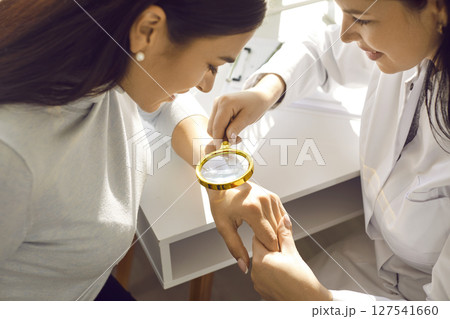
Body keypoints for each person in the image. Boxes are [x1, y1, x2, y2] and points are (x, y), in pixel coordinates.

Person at [0, 0, 286, 300]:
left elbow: (165, 101)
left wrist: (219, 175)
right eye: (211, 65)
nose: (206, 85)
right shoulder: (13, 159)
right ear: (148, 30)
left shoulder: (98, 59)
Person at [208, 0, 450, 300]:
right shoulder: (413, 45)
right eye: (343, 11)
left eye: (362, 19)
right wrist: (266, 90)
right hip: (381, 261)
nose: (346, 32)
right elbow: (324, 48)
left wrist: (313, 298)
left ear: (438, 10)